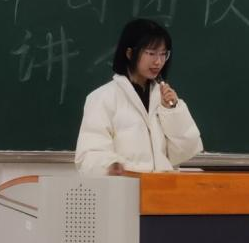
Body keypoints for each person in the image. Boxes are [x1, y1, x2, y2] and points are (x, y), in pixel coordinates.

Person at [75, 18, 203, 175]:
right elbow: (89, 153)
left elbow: (186, 150)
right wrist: (111, 165)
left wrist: (172, 111)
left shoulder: (164, 98)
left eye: (163, 54)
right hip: (126, 185)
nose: (158, 61)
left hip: (164, 185)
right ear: (130, 53)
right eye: (151, 53)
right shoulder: (103, 97)